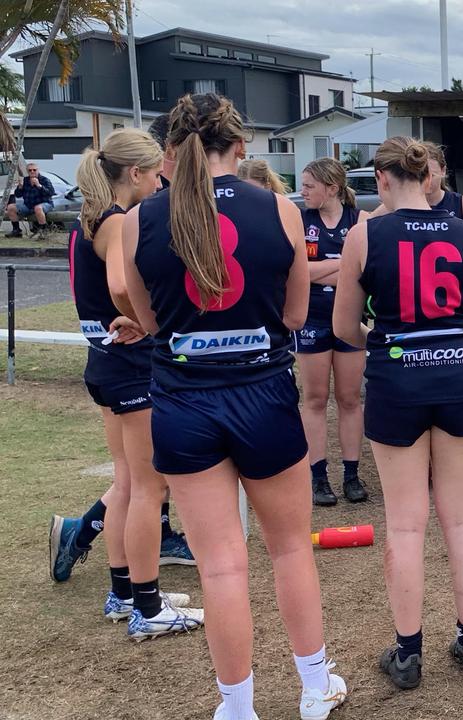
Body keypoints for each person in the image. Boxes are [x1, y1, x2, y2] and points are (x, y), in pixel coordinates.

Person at [121, 93, 347, 719]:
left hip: (183, 402)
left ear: (169, 151)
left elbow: (147, 319)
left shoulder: (139, 220)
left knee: (221, 568)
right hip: (264, 393)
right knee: (290, 548)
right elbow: (297, 315)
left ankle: (237, 707)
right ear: (240, 145)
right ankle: (312, 686)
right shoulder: (278, 208)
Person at [332, 136, 463, 687]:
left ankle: (408, 654)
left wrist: (386, 343)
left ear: (383, 180)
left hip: (397, 382)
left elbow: (342, 328)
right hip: (462, 380)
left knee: (406, 525)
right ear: (426, 178)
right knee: (462, 517)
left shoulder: (364, 234)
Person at [59, 128, 203, 638]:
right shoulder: (118, 221)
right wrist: (144, 319)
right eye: (156, 172)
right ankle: (147, 605)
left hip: (104, 360)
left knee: (126, 482)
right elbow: (121, 284)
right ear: (137, 174)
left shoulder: (87, 217)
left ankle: (123, 593)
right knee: (149, 486)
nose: (162, 180)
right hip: (130, 362)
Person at [295, 158, 369, 505]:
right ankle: (317, 477)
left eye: (310, 185)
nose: (303, 191)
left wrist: (320, 270)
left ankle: (352, 475)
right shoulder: (299, 220)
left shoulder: (359, 221)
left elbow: (362, 274)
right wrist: (342, 264)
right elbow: (298, 274)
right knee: (314, 399)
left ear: (332, 188)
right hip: (311, 319)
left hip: (349, 319)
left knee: (350, 399)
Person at [370, 141, 463, 227]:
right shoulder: (394, 205)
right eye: (419, 174)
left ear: (443, 170)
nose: (427, 180)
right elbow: (367, 223)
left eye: (432, 175)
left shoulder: (461, 204)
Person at [6, 162, 56, 237]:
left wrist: (39, 185)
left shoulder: (44, 180)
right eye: (30, 170)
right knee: (10, 207)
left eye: (34, 170)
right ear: (27, 171)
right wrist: (20, 187)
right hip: (28, 205)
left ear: (38, 170)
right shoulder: (25, 180)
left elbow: (51, 193)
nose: (32, 172)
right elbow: (17, 195)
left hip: (45, 203)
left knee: (38, 208)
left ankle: (43, 232)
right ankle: (16, 230)